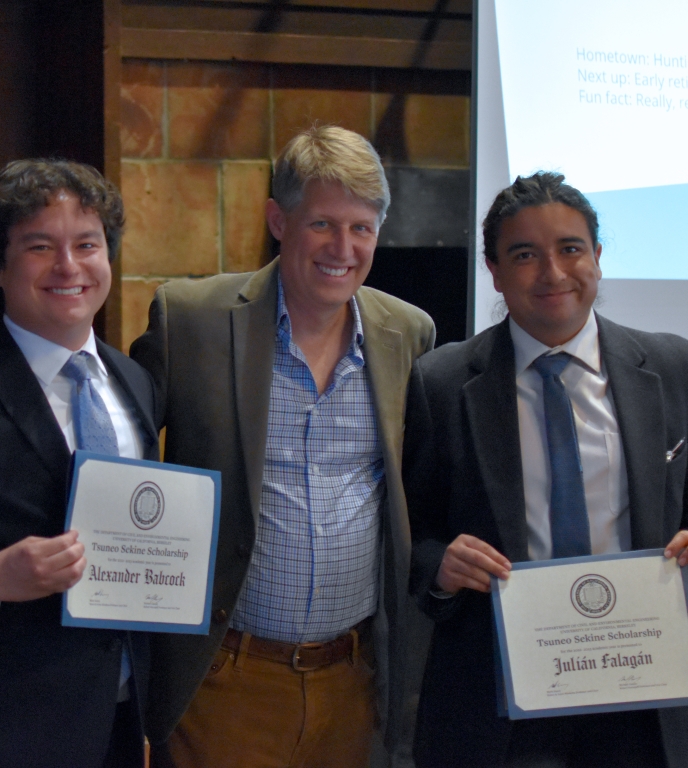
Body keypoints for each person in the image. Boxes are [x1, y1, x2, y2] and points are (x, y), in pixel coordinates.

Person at [131, 124, 435, 768]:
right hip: (225, 682)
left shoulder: (407, 333)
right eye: (323, 223)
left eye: (362, 228)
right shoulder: (191, 319)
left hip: (354, 687)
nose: (342, 248)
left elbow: (424, 487)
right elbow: (117, 445)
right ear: (278, 218)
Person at [403, 171, 688, 768]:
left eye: (570, 249)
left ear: (599, 258)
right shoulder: (443, 382)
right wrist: (441, 564)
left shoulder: (672, 364)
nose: (553, 273)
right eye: (525, 255)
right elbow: (412, 537)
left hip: (645, 694)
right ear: (495, 271)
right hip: (503, 700)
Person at [0, 159, 159, 768]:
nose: (69, 267)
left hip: (121, 720)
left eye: (87, 244)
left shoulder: (134, 380)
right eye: (39, 246)